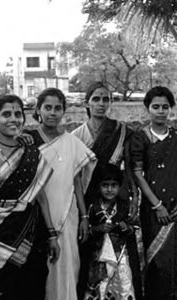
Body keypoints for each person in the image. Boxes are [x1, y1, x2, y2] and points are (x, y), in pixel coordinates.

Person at [0, 94, 60, 300]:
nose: (13, 119)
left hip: (31, 236)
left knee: (31, 290)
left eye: (18, 114)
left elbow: (40, 196)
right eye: (6, 114)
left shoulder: (31, 152)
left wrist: (52, 235)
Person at [23, 87, 97, 300]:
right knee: (38, 269)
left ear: (64, 111)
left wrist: (84, 216)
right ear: (38, 110)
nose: (52, 113)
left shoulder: (71, 142)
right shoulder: (27, 140)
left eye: (58, 108)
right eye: (47, 108)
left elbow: (77, 182)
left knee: (67, 266)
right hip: (35, 217)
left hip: (68, 215)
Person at [72, 81, 139, 299]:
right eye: (96, 99)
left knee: (122, 255)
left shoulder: (121, 131)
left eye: (106, 99)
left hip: (116, 199)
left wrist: (134, 197)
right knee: (89, 257)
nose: (101, 104)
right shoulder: (76, 137)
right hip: (88, 203)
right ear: (87, 103)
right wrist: (82, 214)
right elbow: (74, 178)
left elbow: (129, 167)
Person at [130, 86, 177, 300]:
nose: (161, 111)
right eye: (156, 107)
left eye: (165, 107)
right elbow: (138, 174)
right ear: (148, 109)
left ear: (171, 109)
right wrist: (157, 205)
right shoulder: (140, 139)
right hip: (154, 211)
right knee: (159, 263)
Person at [84, 163, 142, 300]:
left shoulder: (124, 206)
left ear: (119, 186)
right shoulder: (92, 207)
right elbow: (84, 232)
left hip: (121, 255)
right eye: (105, 185)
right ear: (98, 186)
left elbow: (136, 227)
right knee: (100, 288)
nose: (109, 190)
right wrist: (97, 229)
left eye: (114, 185)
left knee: (123, 286)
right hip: (98, 257)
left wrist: (126, 228)